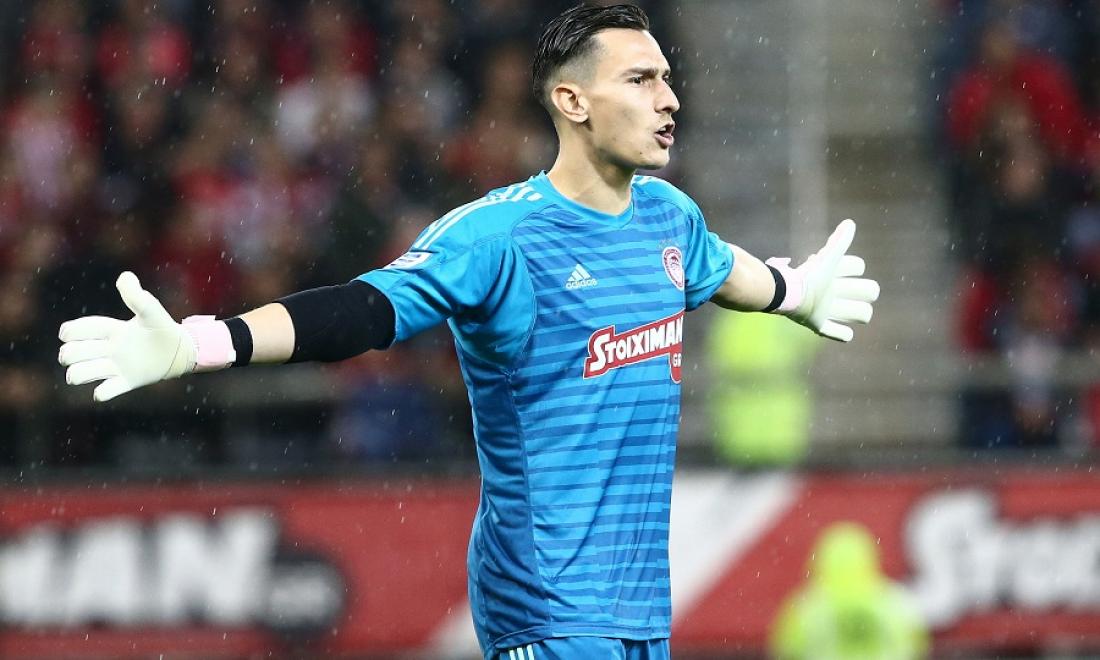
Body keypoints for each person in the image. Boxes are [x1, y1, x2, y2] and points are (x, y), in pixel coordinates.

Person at [57, 5, 880, 659]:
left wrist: (795, 291)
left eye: (666, 78)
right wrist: (201, 342)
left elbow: (719, 268)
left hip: (639, 610)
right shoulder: (497, 238)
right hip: (547, 608)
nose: (668, 98)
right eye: (639, 79)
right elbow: (361, 311)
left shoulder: (669, 215)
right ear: (572, 102)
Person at [769, 522, 929, 660]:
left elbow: (785, 650)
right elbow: (916, 647)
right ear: (871, 557)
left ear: (819, 560)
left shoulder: (806, 607)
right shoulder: (894, 603)